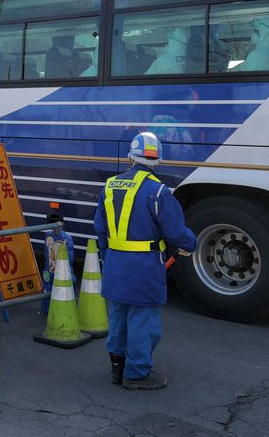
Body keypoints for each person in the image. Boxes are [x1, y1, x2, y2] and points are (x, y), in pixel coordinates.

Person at [93, 132, 197, 390]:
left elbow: (100, 229)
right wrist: (190, 244)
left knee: (118, 317)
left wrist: (107, 257)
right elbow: (176, 232)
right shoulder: (158, 191)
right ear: (157, 160)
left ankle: (117, 368)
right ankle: (136, 374)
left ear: (131, 156)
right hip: (144, 267)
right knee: (142, 321)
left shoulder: (109, 186)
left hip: (115, 264)